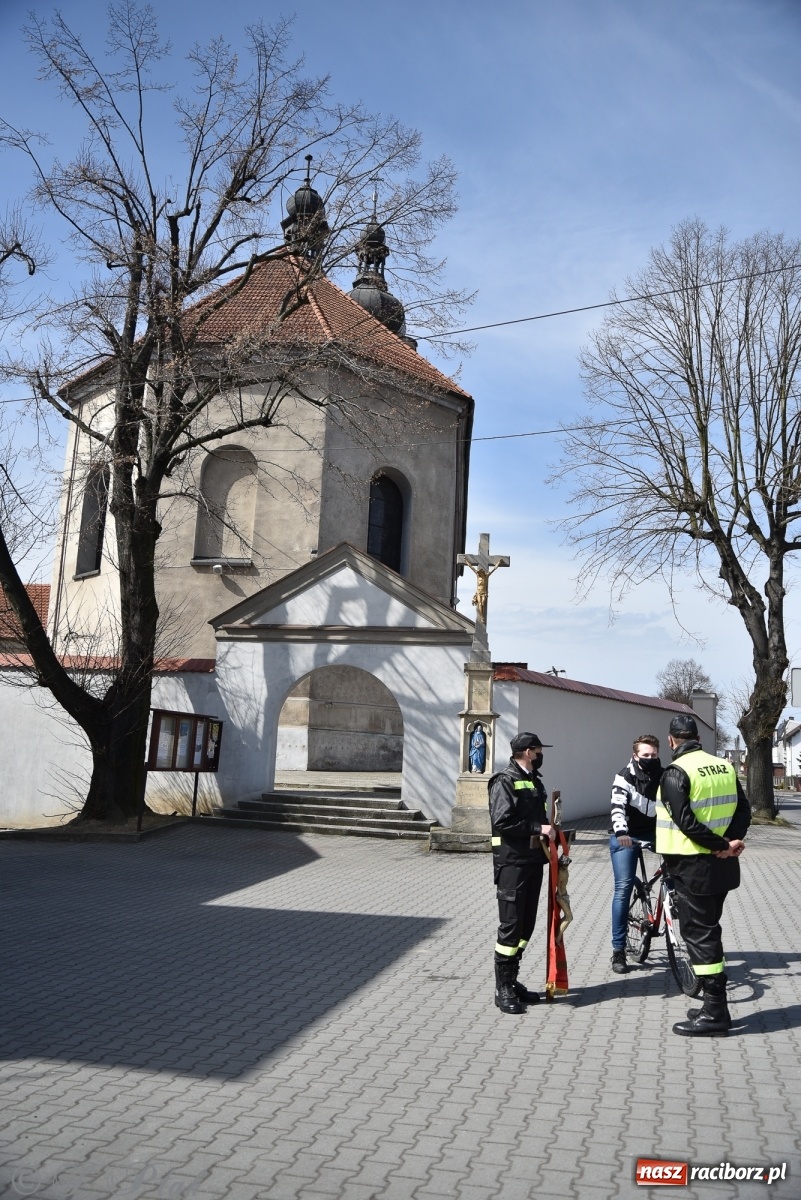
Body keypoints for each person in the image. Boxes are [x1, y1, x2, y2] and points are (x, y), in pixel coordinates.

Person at [656, 714, 751, 1037]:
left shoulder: (676, 772)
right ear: (698, 738)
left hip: (692, 866)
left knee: (700, 935)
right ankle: (714, 1007)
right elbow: (743, 809)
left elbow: (685, 822)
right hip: (721, 866)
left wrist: (720, 845)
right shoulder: (724, 766)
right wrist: (731, 841)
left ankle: (715, 1012)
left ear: (671, 740)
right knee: (709, 930)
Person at [488, 732, 557, 1014]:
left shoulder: (533, 780)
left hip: (532, 860)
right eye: (539, 750)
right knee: (511, 925)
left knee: (526, 926)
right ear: (528, 752)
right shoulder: (505, 780)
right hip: (512, 863)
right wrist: (539, 828)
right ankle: (502, 988)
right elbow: (502, 821)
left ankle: (512, 979)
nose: (542, 755)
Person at [609, 734, 662, 974]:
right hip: (627, 834)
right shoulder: (624, 776)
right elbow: (617, 807)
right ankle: (618, 950)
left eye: (654, 754)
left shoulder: (666, 775)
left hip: (654, 832)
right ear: (635, 755)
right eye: (645, 755)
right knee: (623, 888)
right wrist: (621, 832)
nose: (650, 758)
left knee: (679, 870)